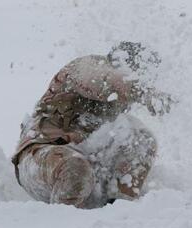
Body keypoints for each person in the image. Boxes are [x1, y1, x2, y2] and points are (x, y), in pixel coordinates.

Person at [11, 42, 173, 209]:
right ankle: (62, 227)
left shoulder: (121, 99)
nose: (141, 79)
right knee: (76, 169)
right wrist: (141, 91)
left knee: (141, 140)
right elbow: (101, 82)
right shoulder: (88, 66)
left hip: (90, 175)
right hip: (42, 160)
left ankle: (120, 208)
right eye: (137, 74)